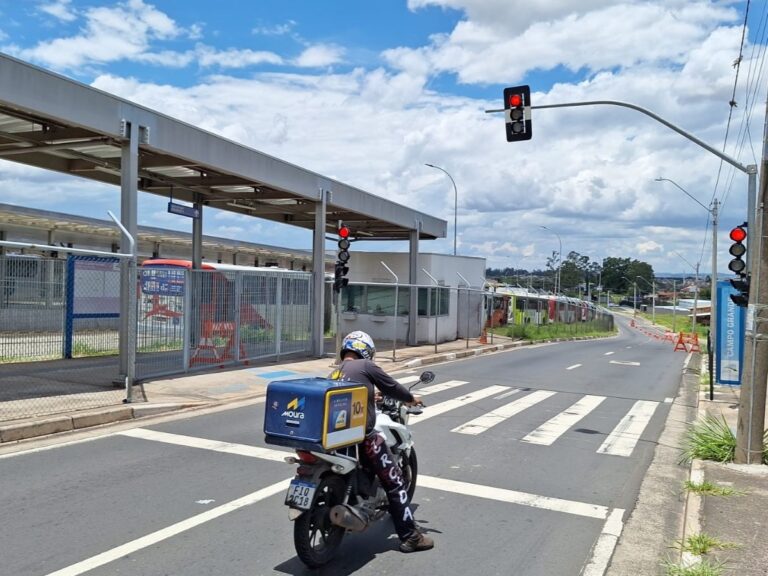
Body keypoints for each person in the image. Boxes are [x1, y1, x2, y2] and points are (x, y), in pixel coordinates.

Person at [328, 330, 434, 553]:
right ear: (366, 351)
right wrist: (411, 397)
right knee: (395, 481)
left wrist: (370, 395)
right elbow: (392, 387)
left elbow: (350, 397)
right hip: (363, 438)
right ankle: (410, 536)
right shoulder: (366, 366)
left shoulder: (336, 373)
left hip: (338, 438)